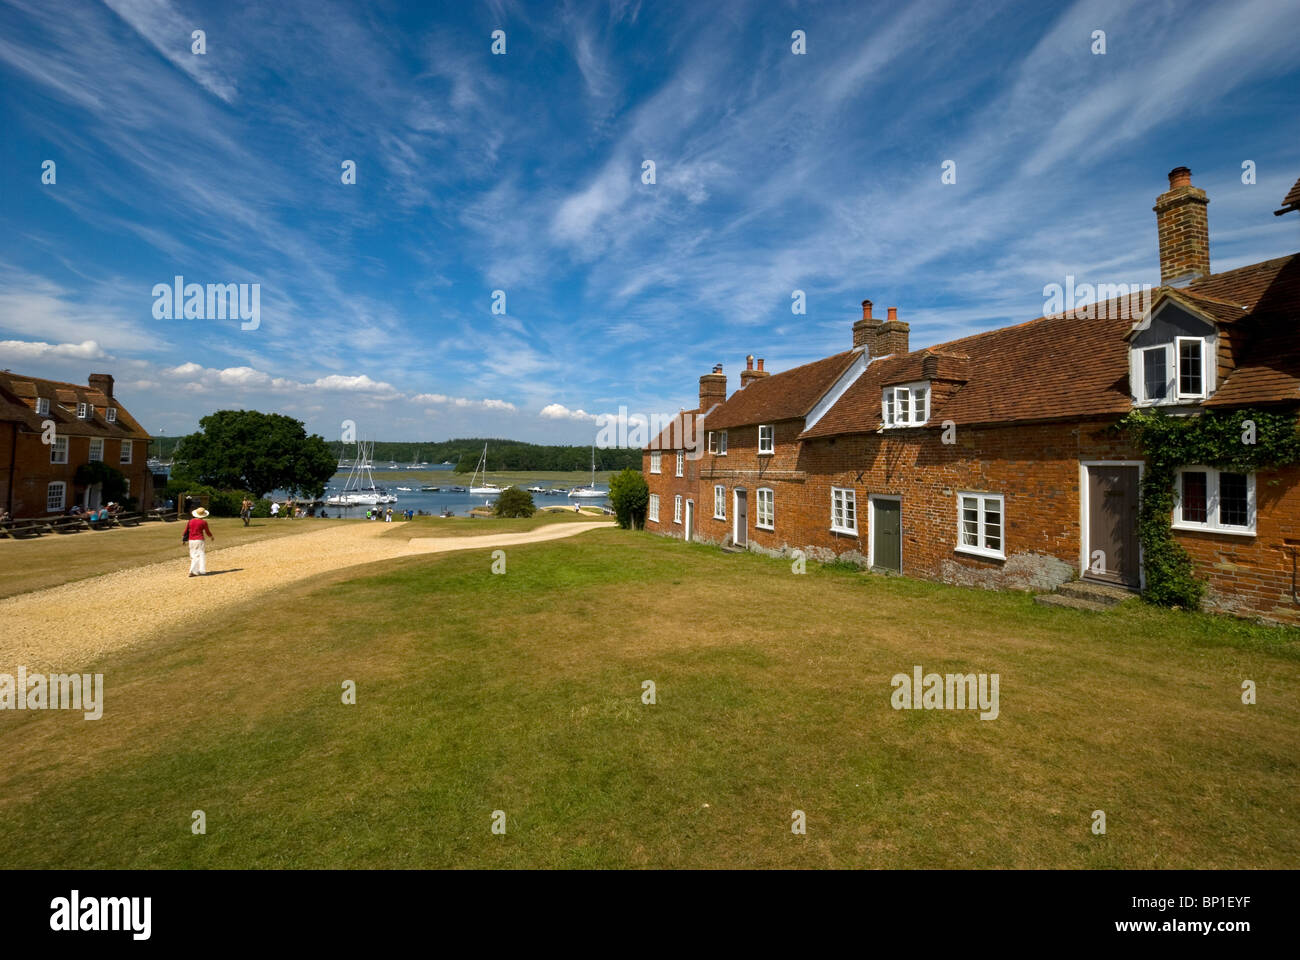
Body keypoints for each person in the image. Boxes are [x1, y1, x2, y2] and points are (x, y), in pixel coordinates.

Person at [184, 506, 214, 577]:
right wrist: (211, 536)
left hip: (191, 540)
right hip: (199, 539)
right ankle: (194, 571)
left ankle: (197, 570)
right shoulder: (203, 522)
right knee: (200, 554)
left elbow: (186, 531)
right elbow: (207, 531)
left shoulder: (190, 521)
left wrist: (184, 540)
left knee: (193, 555)